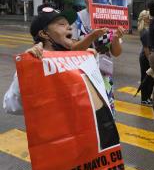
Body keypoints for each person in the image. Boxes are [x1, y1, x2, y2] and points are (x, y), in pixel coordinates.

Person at [3, 8, 120, 148]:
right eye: (61, 24)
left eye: (68, 24)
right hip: (59, 149)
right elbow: (11, 106)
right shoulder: (37, 63)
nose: (69, 27)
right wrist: (28, 70)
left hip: (89, 141)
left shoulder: (82, 58)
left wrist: (91, 62)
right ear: (44, 34)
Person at [71, 0, 124, 116]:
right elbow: (72, 49)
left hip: (104, 74)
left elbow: (116, 53)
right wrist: (93, 35)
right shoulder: (77, 19)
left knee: (106, 112)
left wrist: (116, 38)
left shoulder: (109, 19)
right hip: (82, 74)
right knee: (87, 112)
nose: (98, 2)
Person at [138, 10, 154, 105]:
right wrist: (150, 60)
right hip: (146, 57)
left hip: (148, 56)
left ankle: (147, 97)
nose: (150, 19)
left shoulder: (146, 29)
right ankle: (144, 99)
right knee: (146, 78)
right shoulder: (145, 31)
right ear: (145, 19)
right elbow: (146, 49)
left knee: (150, 78)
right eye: (149, 17)